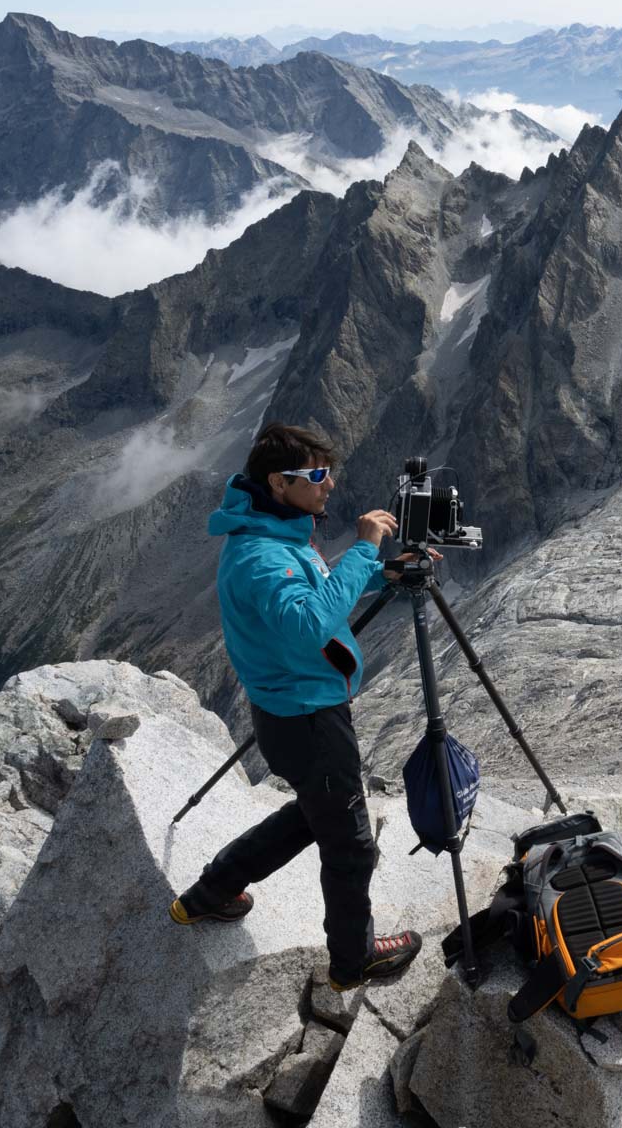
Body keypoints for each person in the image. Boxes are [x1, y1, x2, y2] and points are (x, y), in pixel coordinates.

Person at [170, 422, 421, 988]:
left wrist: (384, 573)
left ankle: (212, 892)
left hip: (289, 713)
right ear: (279, 483)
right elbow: (309, 623)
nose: (330, 484)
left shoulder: (274, 531)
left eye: (329, 471)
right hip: (309, 718)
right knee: (351, 845)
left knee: (314, 812)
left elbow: (310, 595)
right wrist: (363, 548)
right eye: (317, 476)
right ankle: (354, 961)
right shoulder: (262, 556)